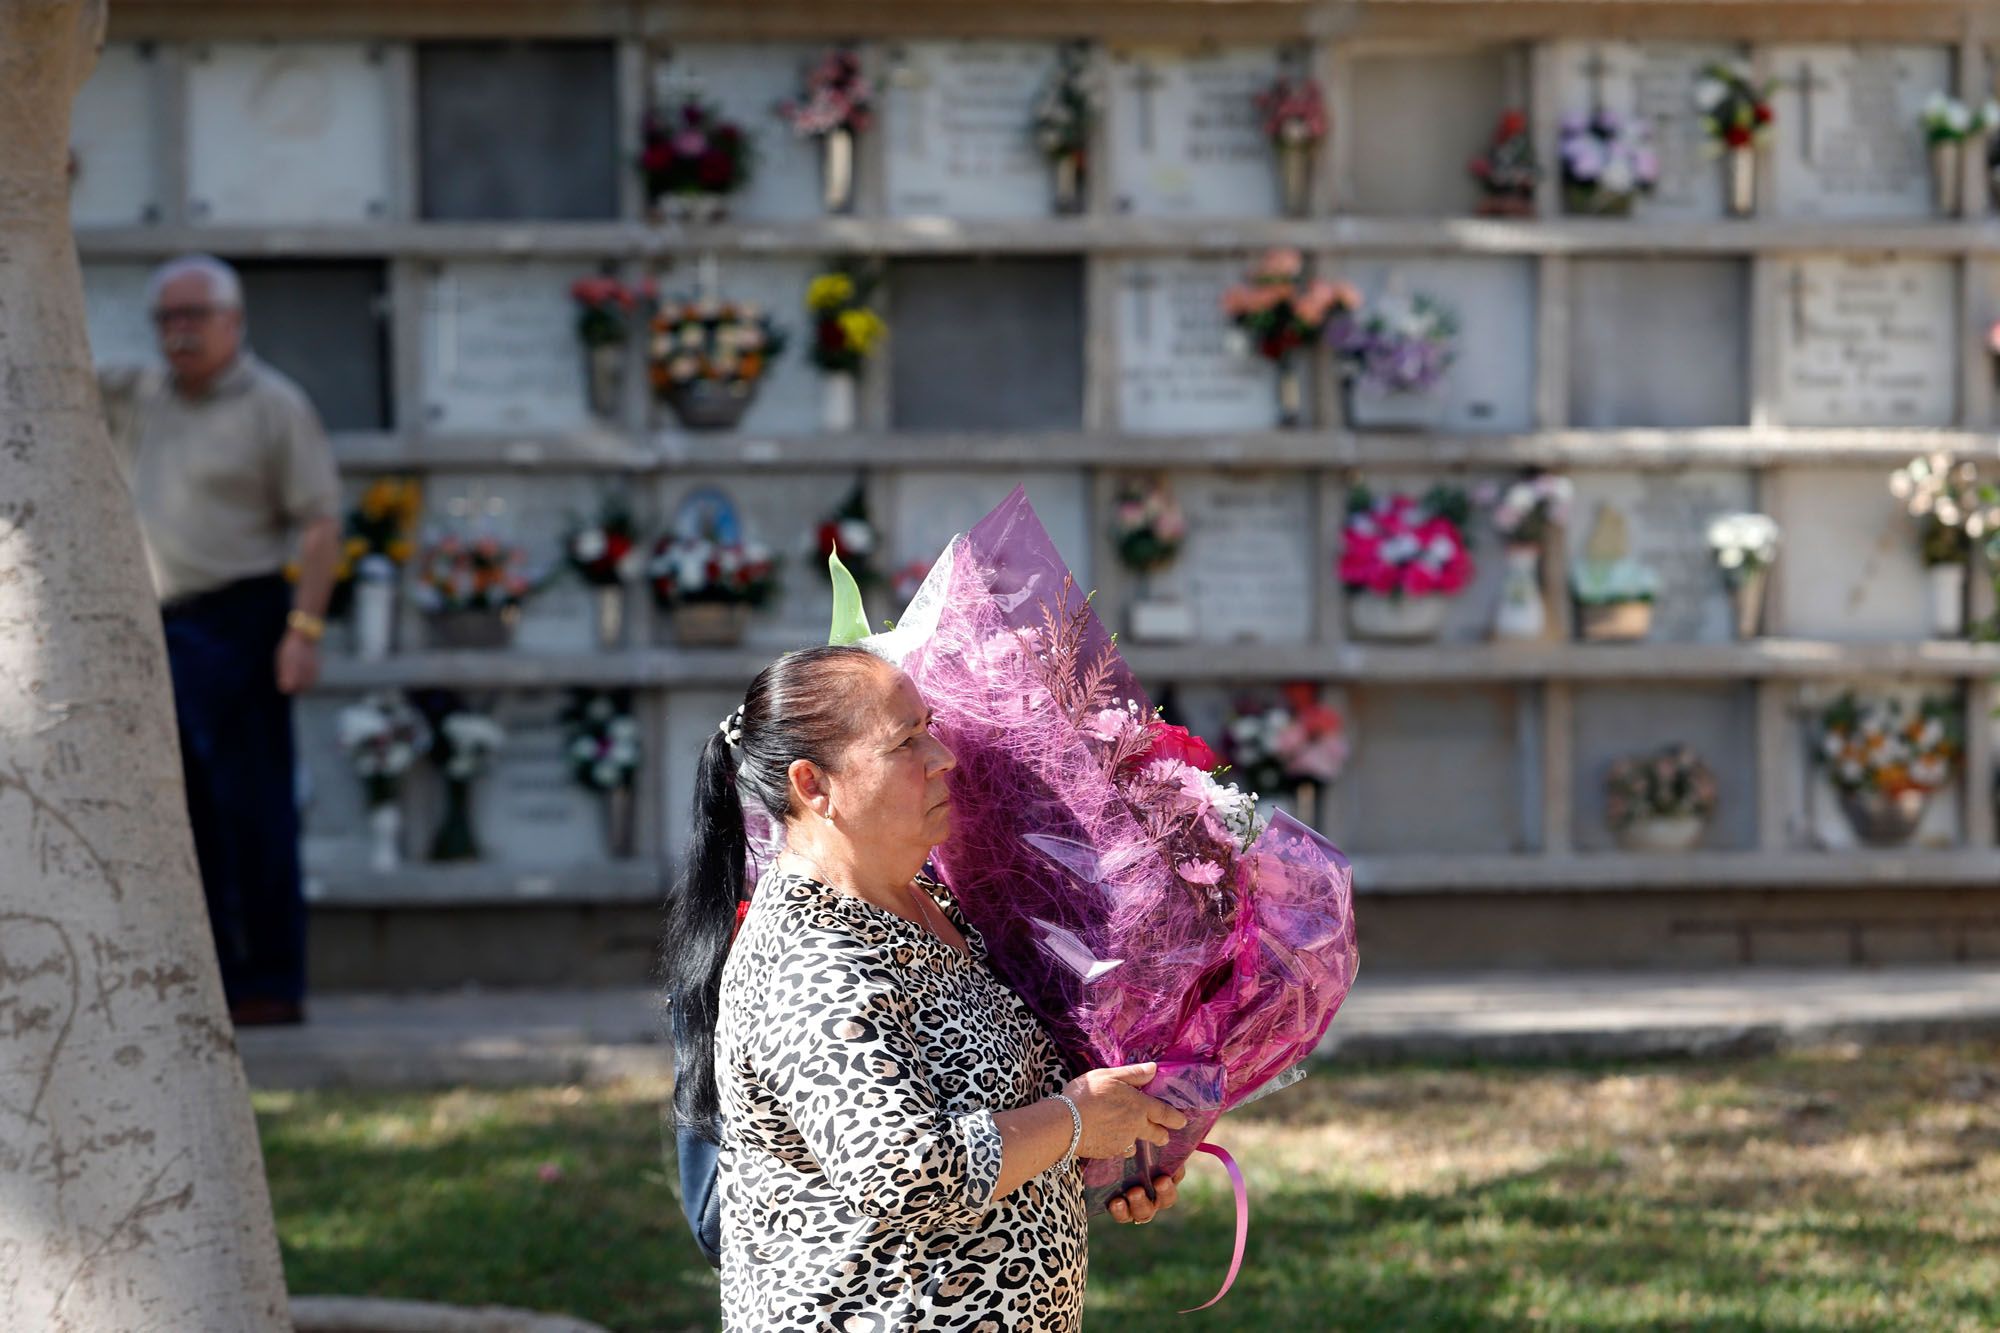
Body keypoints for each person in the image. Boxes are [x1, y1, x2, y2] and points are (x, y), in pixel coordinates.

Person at [664, 644, 1191, 1331]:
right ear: (813, 785)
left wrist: (1111, 1146)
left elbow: (994, 1107)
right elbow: (903, 1170)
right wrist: (1074, 1120)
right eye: (906, 741)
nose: (943, 757)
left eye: (930, 727)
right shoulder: (810, 954)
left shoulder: (927, 904)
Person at [96, 254, 340, 1027]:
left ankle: (272, 981)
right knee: (180, 812)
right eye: (167, 317)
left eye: (194, 315)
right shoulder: (141, 394)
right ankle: (209, 980)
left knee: (252, 807)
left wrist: (303, 630)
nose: (180, 332)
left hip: (241, 620)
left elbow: (321, 522)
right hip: (152, 625)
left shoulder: (273, 404)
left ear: (233, 321)